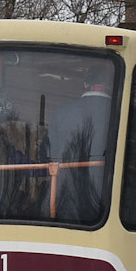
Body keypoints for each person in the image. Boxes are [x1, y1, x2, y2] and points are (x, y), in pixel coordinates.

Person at [48, 70, 114, 223]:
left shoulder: (61, 112)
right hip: (109, 196)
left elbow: (48, 153)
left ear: (85, 85)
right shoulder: (125, 114)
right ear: (109, 86)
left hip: (66, 193)